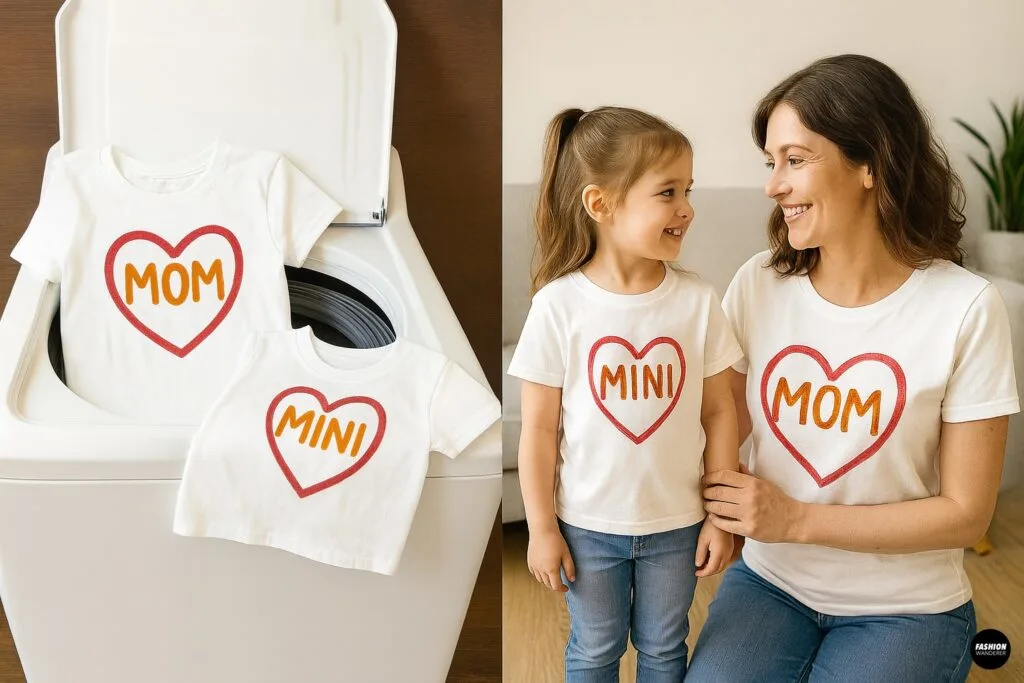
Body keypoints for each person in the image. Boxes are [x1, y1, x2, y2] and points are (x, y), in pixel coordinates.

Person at [688, 54, 1020, 683]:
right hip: (771, 584)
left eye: (795, 159)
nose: (773, 185)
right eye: (770, 162)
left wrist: (796, 519)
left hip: (908, 609)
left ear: (871, 162)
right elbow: (719, 425)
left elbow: (967, 513)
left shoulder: (967, 308)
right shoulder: (758, 282)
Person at [508, 106, 744, 682]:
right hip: (587, 528)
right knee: (595, 649)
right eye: (668, 192)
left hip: (677, 526)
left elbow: (720, 414)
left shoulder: (697, 301)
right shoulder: (558, 307)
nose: (686, 208)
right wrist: (541, 529)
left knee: (666, 650)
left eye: (688, 190)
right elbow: (538, 431)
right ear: (601, 205)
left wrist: (719, 518)